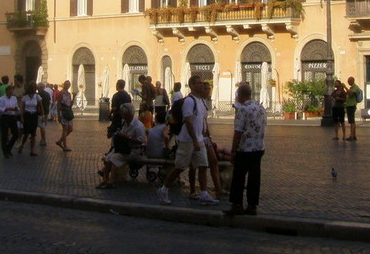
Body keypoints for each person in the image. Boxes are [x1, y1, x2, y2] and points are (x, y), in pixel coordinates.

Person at [156, 76, 218, 206]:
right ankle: (164, 189)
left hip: (199, 139)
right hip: (187, 140)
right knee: (180, 167)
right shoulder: (189, 101)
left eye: (202, 83)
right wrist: (195, 139)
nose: (203, 85)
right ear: (193, 85)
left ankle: (204, 193)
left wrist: (204, 137)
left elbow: (201, 121)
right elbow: (188, 122)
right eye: (200, 83)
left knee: (203, 165)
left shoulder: (201, 101)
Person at [224, 82, 266, 217]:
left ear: (241, 95)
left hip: (245, 149)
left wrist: (233, 150)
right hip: (258, 148)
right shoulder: (261, 108)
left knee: (238, 178)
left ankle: (236, 205)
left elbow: (238, 131)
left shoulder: (243, 109)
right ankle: (252, 206)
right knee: (254, 178)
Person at [97, 103, 146, 189]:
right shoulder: (124, 122)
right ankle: (105, 180)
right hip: (123, 148)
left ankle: (111, 181)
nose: (122, 115)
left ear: (128, 115)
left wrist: (127, 137)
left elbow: (141, 140)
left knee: (114, 158)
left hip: (133, 150)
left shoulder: (138, 126)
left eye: (123, 114)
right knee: (108, 158)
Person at [18, 85, 43, 156]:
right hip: (27, 115)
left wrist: (42, 115)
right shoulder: (25, 98)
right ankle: (22, 145)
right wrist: (22, 117)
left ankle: (32, 150)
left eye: (33, 93)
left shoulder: (37, 97)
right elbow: (22, 108)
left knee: (33, 134)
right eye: (30, 93)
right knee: (26, 133)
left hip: (34, 115)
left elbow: (41, 106)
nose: (32, 95)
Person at [0, 85, 20, 158]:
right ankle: (5, 152)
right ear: (6, 91)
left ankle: (8, 147)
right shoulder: (2, 99)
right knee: (5, 135)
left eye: (12, 91)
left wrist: (17, 109)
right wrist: (6, 109)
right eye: (9, 91)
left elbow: (16, 106)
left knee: (16, 134)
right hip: (5, 116)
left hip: (12, 117)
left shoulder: (14, 98)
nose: (11, 93)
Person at [55, 80, 74, 152]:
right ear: (64, 85)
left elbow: (70, 105)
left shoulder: (69, 94)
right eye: (66, 84)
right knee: (65, 130)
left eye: (68, 84)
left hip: (68, 112)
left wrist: (74, 98)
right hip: (63, 112)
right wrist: (58, 115)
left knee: (70, 129)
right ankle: (65, 146)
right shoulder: (61, 93)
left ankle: (60, 141)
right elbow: (58, 104)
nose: (67, 86)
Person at [345, 76, 362, 141]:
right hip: (350, 105)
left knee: (352, 121)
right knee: (352, 121)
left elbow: (351, 94)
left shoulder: (355, 87)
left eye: (349, 81)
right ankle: (353, 135)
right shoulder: (352, 87)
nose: (348, 82)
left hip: (352, 105)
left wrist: (345, 87)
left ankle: (352, 135)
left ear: (352, 81)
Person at [38, 82, 52, 147]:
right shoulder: (47, 94)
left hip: (41, 112)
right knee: (43, 125)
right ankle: (42, 139)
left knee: (42, 126)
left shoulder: (39, 94)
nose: (37, 89)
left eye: (38, 87)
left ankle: (43, 139)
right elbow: (49, 102)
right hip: (46, 111)